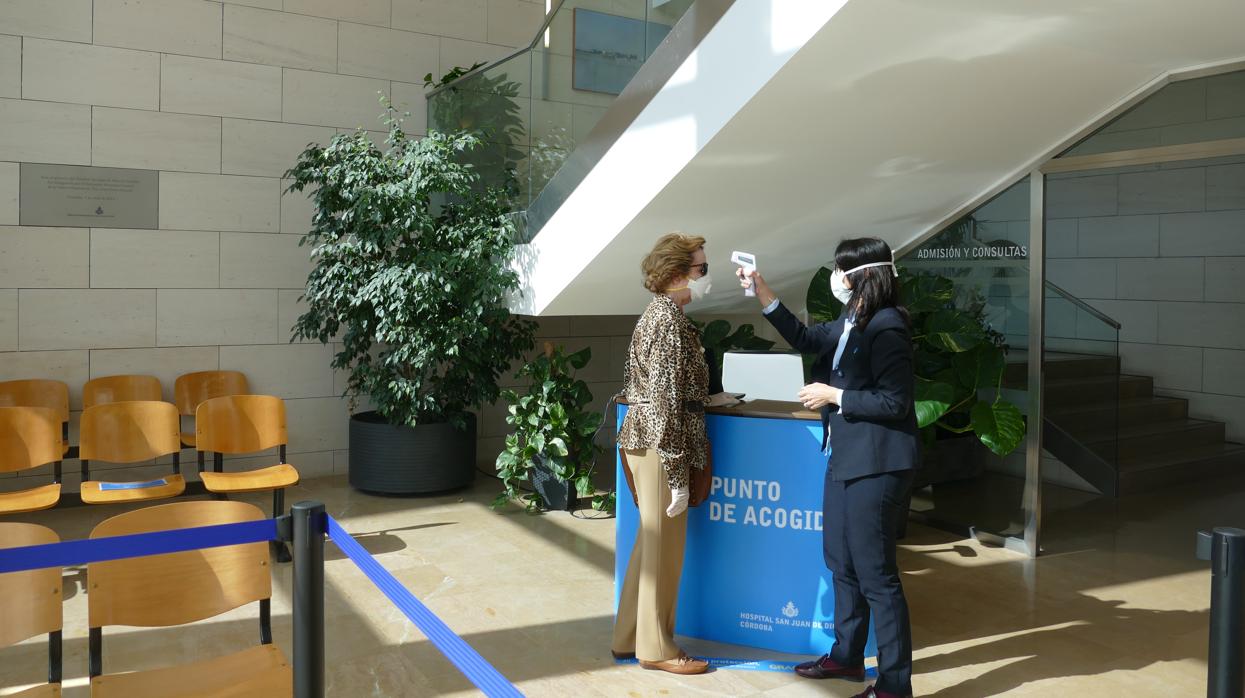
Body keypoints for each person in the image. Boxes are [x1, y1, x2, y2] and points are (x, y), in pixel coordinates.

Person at [738, 237, 918, 698]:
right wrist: (762, 290)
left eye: (842, 270)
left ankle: (895, 685)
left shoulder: (887, 326)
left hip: (877, 466)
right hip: (846, 457)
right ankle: (847, 657)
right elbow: (806, 338)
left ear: (863, 275)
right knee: (841, 563)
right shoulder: (853, 317)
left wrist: (834, 395)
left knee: (877, 576)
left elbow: (895, 402)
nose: (836, 278)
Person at [611, 232, 712, 675]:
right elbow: (667, 400)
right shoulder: (668, 321)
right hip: (660, 444)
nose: (707, 277)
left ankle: (629, 637)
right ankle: (657, 648)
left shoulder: (662, 315)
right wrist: (676, 473)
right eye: (701, 269)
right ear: (675, 275)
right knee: (663, 552)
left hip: (648, 439)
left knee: (649, 546)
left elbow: (669, 393)